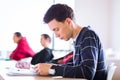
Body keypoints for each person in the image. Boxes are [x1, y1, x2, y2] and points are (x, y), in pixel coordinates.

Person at [34, 4, 107, 80]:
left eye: (57, 29)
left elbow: (87, 72)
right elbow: (76, 66)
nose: (56, 35)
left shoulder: (88, 35)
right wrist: (49, 66)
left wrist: (51, 69)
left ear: (68, 21)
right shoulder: (79, 38)